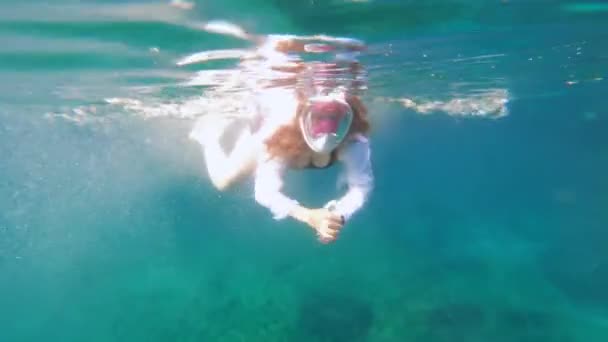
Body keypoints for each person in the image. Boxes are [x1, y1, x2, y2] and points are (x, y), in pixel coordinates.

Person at [189, 33, 373, 244]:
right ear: (305, 115)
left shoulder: (353, 139)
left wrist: (337, 216)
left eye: (334, 118)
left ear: (347, 116)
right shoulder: (281, 129)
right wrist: (308, 216)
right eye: (320, 118)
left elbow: (361, 188)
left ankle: (245, 126)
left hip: (281, 132)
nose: (326, 129)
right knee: (224, 181)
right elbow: (265, 191)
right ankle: (209, 135)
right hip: (267, 131)